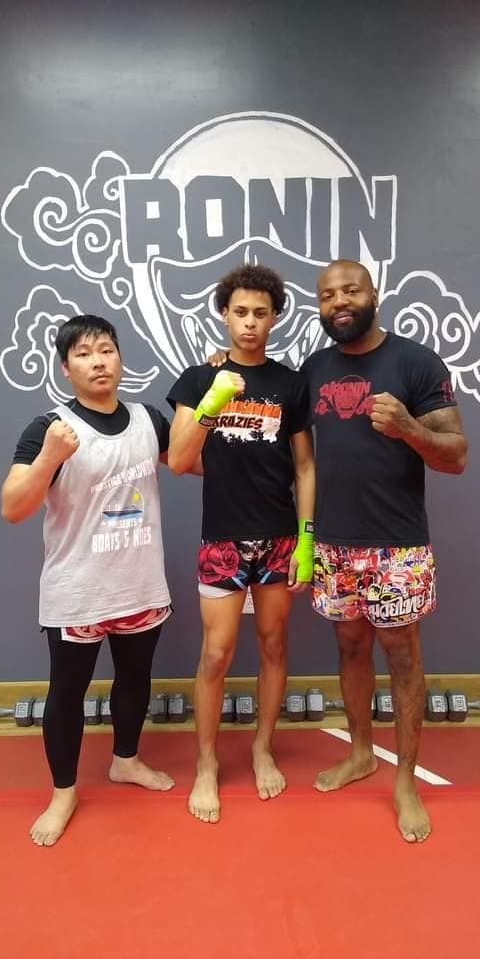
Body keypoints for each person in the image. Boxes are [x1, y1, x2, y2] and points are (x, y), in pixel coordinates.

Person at [301, 259, 468, 843]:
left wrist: (408, 429)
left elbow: (456, 455)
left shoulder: (416, 362)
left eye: (350, 290)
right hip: (334, 544)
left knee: (402, 657)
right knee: (349, 649)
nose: (339, 302)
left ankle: (405, 782)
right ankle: (361, 754)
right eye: (327, 295)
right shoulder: (315, 368)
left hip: (397, 545)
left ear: (374, 294)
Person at [0, 314, 180, 847]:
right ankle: (63, 791)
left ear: (120, 358)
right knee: (68, 691)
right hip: (77, 590)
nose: (98, 360)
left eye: (106, 349)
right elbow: (13, 507)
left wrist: (208, 396)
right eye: (84, 353)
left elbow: (190, 459)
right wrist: (50, 458)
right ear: (66, 367)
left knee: (134, 680)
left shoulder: (150, 420)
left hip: (140, 583)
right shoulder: (49, 428)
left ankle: (125, 760)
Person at [167, 264, 315, 824]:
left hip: (279, 539)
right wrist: (211, 400)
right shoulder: (198, 377)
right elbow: (180, 460)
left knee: (274, 646)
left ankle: (261, 747)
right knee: (215, 653)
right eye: (240, 313)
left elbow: (304, 465)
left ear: (274, 317)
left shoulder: (291, 383)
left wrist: (306, 540)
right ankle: (206, 763)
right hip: (222, 538)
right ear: (224, 315)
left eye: (260, 313)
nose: (249, 323)